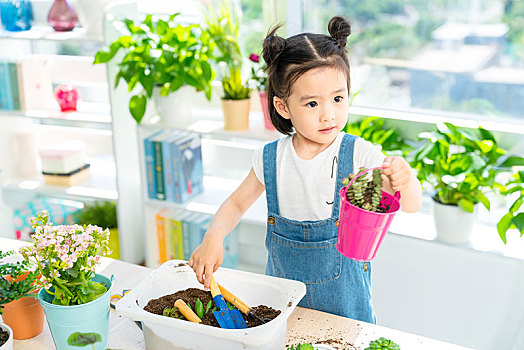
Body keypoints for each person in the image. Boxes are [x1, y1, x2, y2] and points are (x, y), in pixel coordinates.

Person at [189, 16, 422, 324]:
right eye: (312, 104)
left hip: (346, 310)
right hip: (283, 304)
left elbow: (411, 204)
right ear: (283, 107)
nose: (328, 114)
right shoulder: (271, 158)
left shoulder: (359, 154)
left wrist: (405, 180)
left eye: (338, 98)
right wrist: (213, 237)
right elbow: (236, 203)